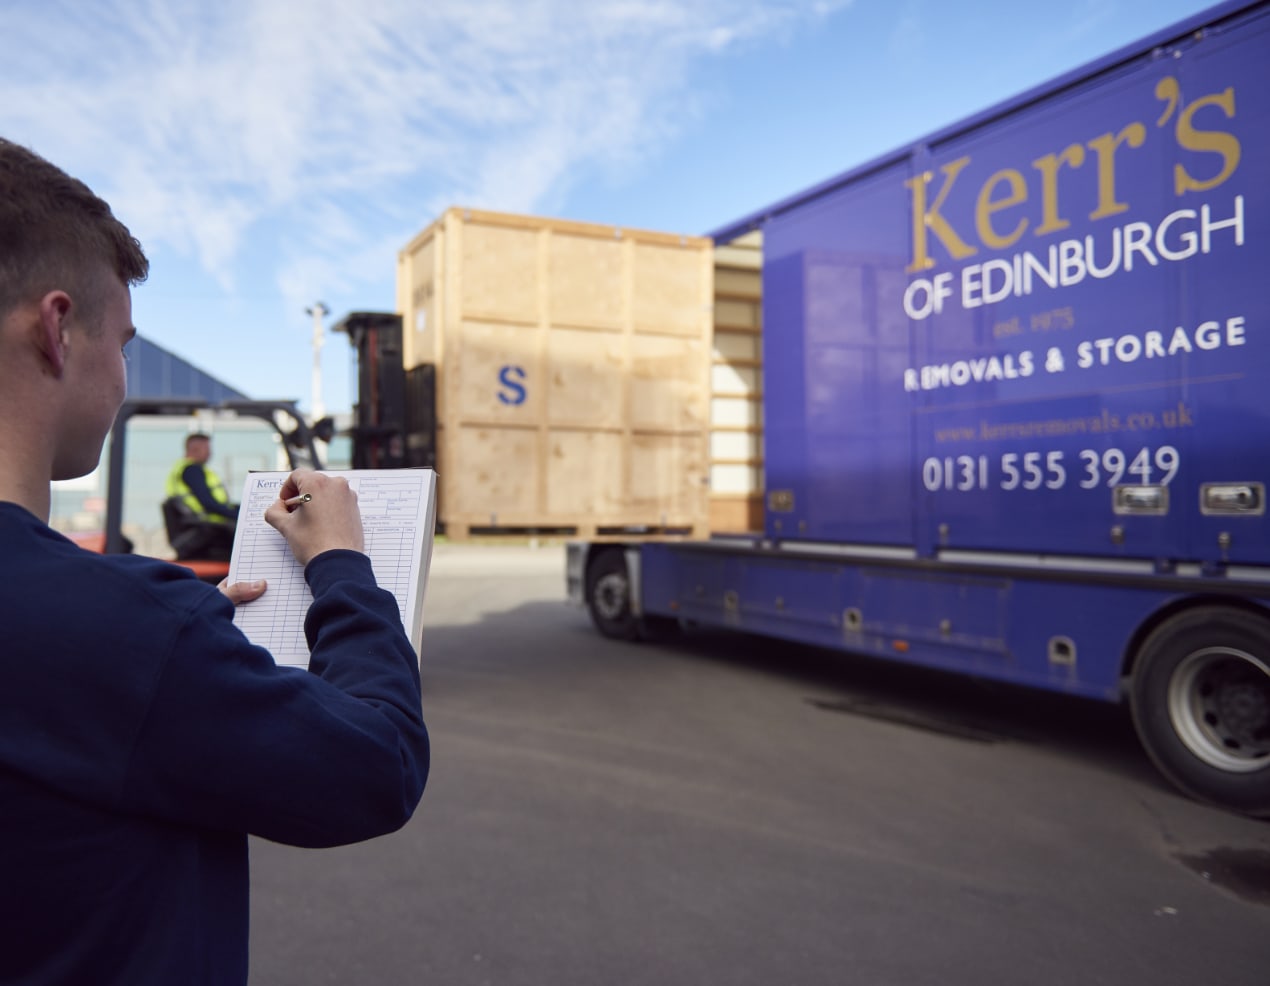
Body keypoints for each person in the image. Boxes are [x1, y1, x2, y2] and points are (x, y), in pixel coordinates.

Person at [0, 138, 429, 985]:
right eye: (121, 342)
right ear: (56, 330)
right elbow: (377, 767)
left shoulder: (129, 634)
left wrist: (176, 639)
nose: (122, 374)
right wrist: (340, 563)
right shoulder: (125, 633)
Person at [165, 431, 239, 559]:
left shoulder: (185, 469)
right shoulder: (192, 471)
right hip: (206, 529)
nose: (210, 453)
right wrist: (239, 515)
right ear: (195, 449)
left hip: (204, 526)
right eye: (207, 449)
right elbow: (209, 504)